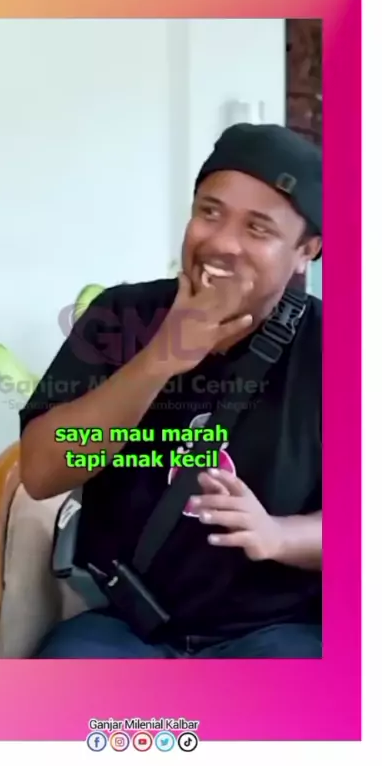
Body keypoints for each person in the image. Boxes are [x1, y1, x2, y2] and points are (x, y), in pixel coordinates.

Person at [20, 123, 323, 659]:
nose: (222, 243)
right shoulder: (121, 316)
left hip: (276, 631)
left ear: (306, 250)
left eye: (258, 228)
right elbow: (44, 472)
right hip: (123, 626)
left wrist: (279, 534)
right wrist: (162, 357)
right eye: (209, 212)